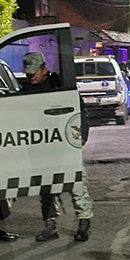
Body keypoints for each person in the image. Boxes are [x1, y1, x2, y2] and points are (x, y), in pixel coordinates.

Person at [21, 52, 94, 242]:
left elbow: (79, 109)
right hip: (40, 145)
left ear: (44, 70)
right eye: (28, 74)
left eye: (34, 73)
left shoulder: (60, 85)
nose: (31, 77)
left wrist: (82, 133)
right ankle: (50, 224)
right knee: (46, 187)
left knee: (76, 182)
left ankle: (84, 221)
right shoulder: (25, 90)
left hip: (63, 142)